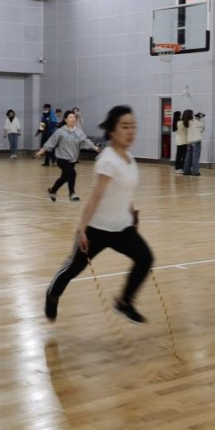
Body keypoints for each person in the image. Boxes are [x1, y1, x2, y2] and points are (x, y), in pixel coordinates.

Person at [44, 105, 152, 325]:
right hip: (97, 229)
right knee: (73, 268)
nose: (130, 131)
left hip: (121, 228)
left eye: (133, 126)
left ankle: (124, 302)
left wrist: (132, 214)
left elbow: (123, 191)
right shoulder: (108, 160)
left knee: (145, 258)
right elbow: (95, 198)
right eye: (125, 126)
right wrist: (82, 229)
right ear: (112, 130)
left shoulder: (130, 159)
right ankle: (52, 293)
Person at [36, 110, 99, 202]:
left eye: (74, 117)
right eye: (70, 117)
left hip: (72, 159)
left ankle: (53, 190)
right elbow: (50, 142)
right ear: (65, 120)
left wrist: (94, 147)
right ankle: (72, 194)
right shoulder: (60, 132)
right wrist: (41, 151)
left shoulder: (79, 132)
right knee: (72, 173)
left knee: (65, 177)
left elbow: (85, 140)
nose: (73, 119)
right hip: (62, 158)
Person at [181, 109, 204, 176]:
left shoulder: (186, 122)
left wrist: (197, 118)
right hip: (196, 142)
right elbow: (202, 127)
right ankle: (195, 172)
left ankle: (186, 171)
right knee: (195, 157)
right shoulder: (194, 121)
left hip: (189, 142)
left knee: (188, 157)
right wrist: (201, 118)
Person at [172, 110, 186, 174]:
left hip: (179, 141)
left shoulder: (176, 122)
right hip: (183, 141)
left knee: (179, 155)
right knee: (182, 156)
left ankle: (178, 168)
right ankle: (180, 168)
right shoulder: (181, 122)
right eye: (181, 114)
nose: (182, 115)